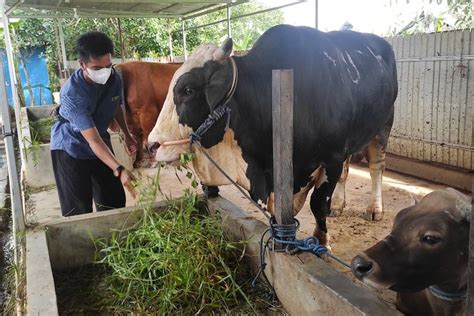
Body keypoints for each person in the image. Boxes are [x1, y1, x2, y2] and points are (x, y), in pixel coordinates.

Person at [50, 31, 137, 217]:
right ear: (82, 65)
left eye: (108, 66)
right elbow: (93, 141)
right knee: (79, 209)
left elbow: (115, 105)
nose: (104, 72)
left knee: (113, 201)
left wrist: (127, 135)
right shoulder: (72, 94)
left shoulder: (114, 78)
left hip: (99, 140)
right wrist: (120, 169)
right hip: (71, 146)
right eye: (97, 68)